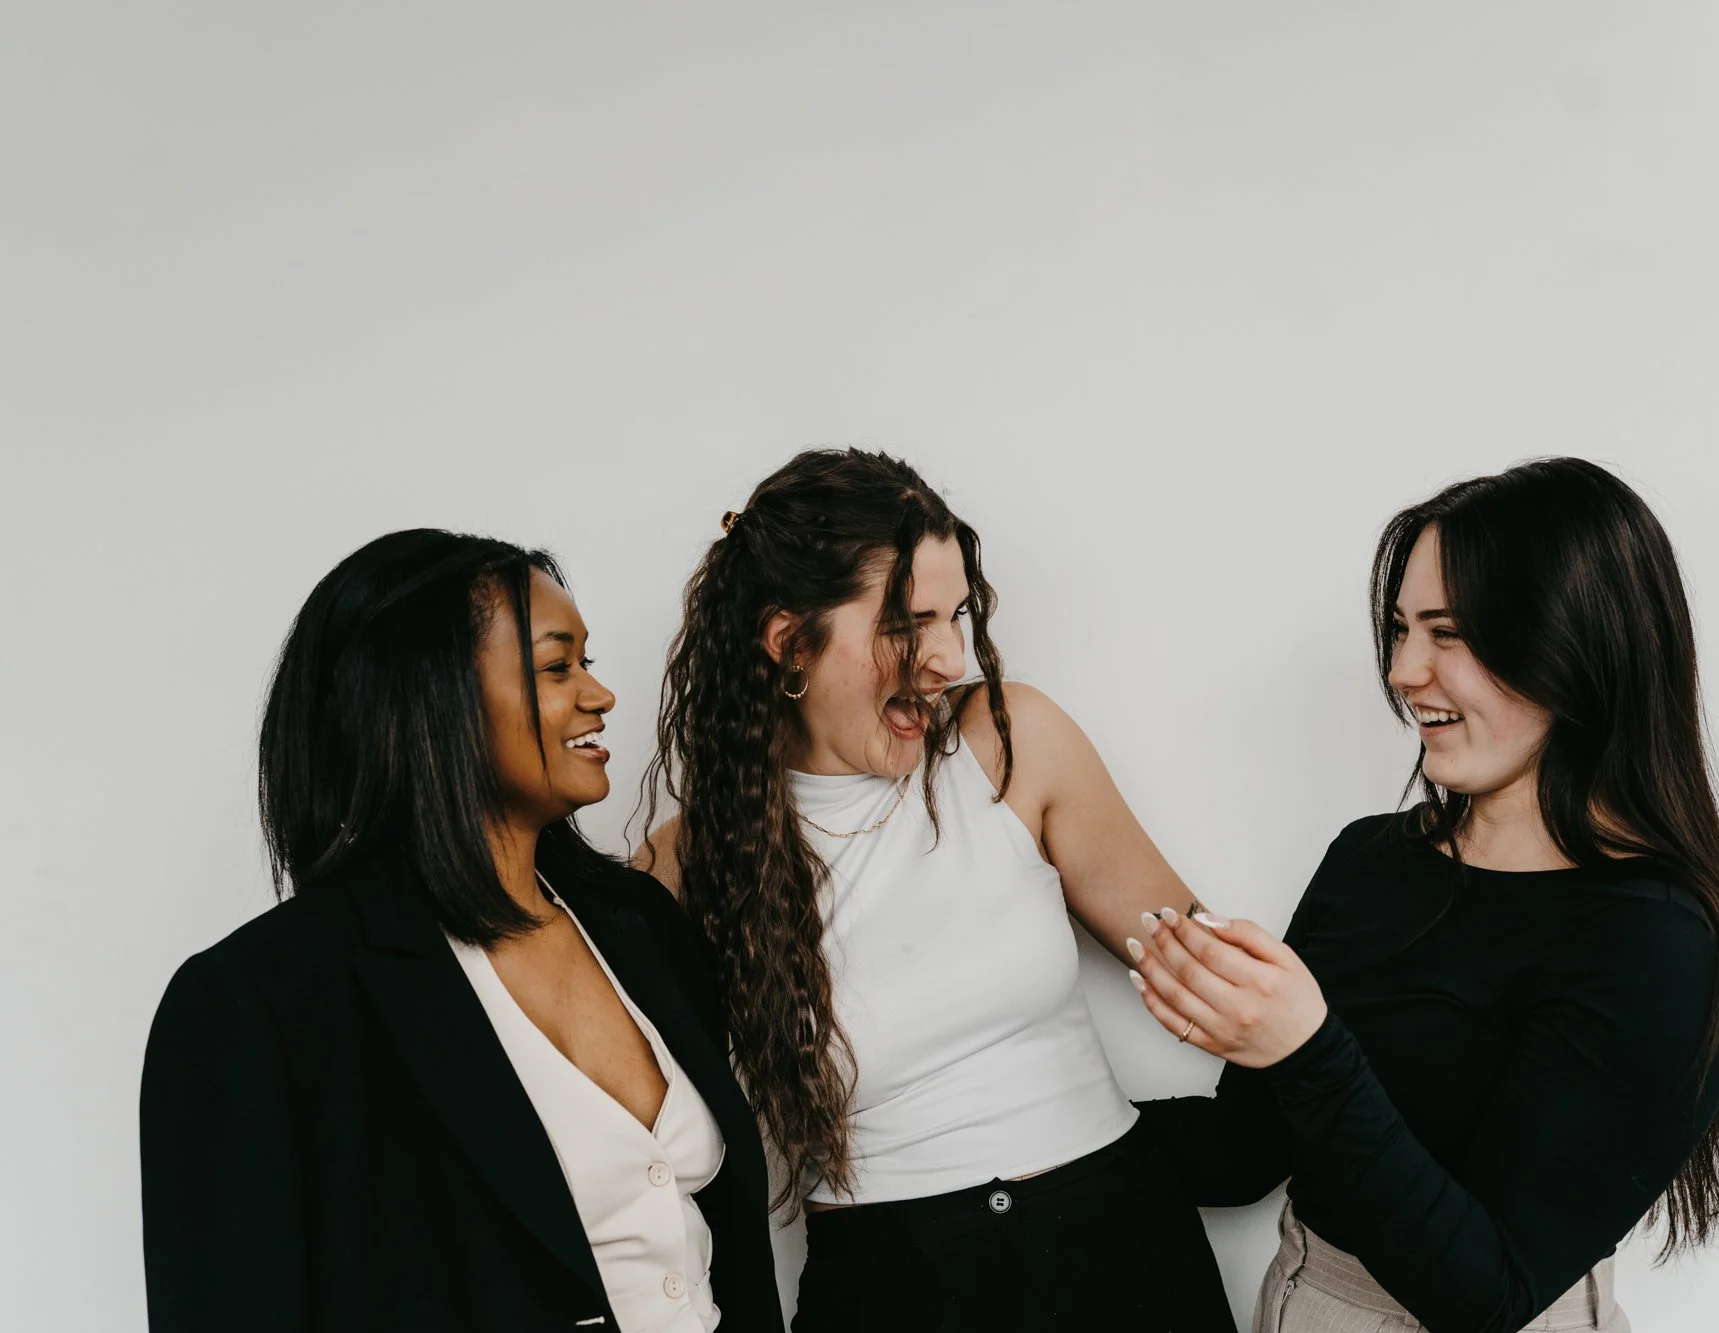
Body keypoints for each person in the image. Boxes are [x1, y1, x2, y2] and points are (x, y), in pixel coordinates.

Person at [1130, 459, 1719, 1333]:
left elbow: (1489, 1293)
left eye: (1449, 631)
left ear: (1577, 643)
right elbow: (1244, 1154)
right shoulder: (1369, 860)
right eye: (1400, 630)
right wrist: (1015, 1123)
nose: (1401, 669)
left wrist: (1306, 1048)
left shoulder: (1653, 940)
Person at [635, 449, 1236, 1333]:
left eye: (957, 613)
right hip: (894, 1287)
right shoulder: (693, 864)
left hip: (1122, 1251)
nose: (951, 656)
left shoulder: (1008, 739)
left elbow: (1211, 969)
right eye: (908, 622)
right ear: (788, 641)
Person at [140, 529, 783, 1333]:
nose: (599, 694)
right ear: (432, 699)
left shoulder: (640, 922)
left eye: (588, 661)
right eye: (557, 667)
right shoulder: (259, 1002)